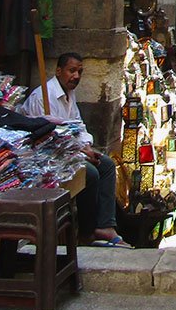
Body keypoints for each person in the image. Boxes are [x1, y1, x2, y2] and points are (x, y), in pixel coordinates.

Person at [21, 52, 124, 245]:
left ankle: (105, 225)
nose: (76, 76)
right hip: (48, 154)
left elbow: (77, 125)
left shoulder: (69, 94)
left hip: (71, 149)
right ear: (59, 71)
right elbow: (49, 138)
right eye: (72, 71)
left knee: (107, 164)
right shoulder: (43, 96)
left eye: (79, 72)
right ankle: (86, 232)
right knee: (90, 174)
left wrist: (86, 147)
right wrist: (80, 152)